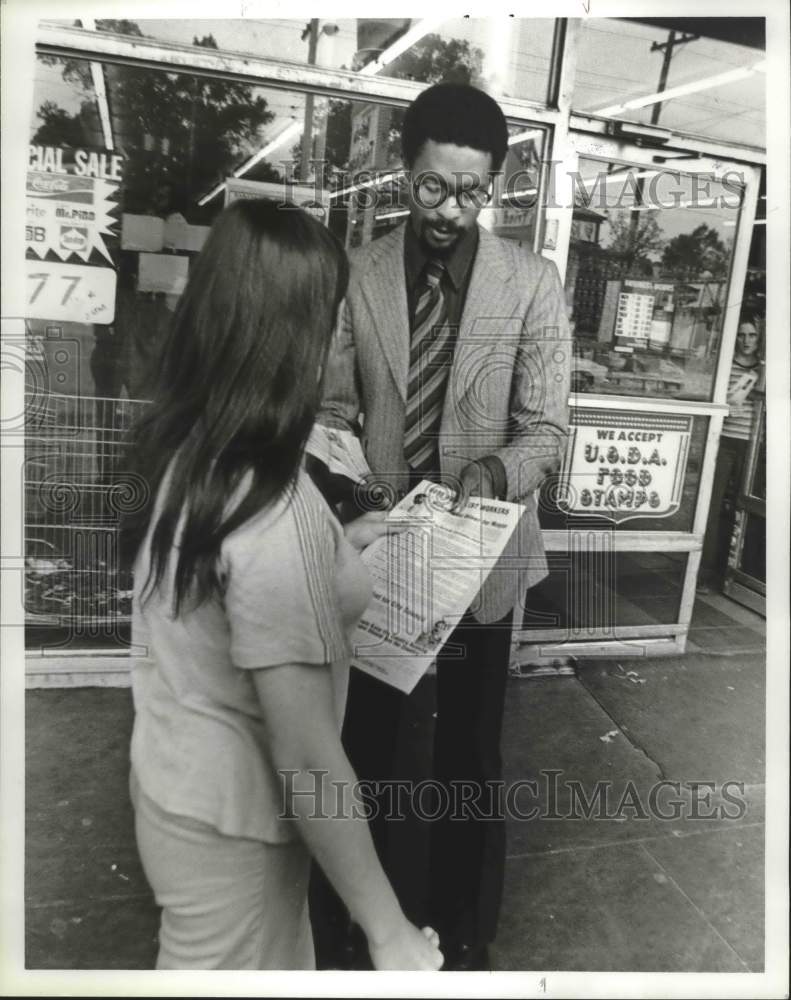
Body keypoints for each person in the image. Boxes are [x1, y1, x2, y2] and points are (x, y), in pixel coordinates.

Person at [122, 198, 443, 971]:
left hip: (176, 782)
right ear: (294, 334)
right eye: (334, 317)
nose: (343, 338)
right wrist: (389, 930)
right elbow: (306, 756)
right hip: (239, 819)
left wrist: (339, 549)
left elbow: (226, 602)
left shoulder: (194, 451)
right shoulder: (278, 509)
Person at [311, 83, 571, 970]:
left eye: (472, 191)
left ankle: (464, 934)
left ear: (491, 184)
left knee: (467, 752)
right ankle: (365, 926)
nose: (451, 211)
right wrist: (358, 505)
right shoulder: (358, 272)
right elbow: (334, 412)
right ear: (403, 171)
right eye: (433, 188)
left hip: (483, 558)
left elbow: (545, 429)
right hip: (383, 553)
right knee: (367, 746)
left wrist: (489, 476)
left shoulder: (531, 284)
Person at [699, 314, 764, 592]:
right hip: (724, 440)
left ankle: (729, 573)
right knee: (713, 506)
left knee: (741, 509)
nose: (746, 341)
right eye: (742, 335)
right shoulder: (726, 365)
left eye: (752, 335)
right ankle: (706, 570)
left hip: (751, 445)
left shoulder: (764, 368)